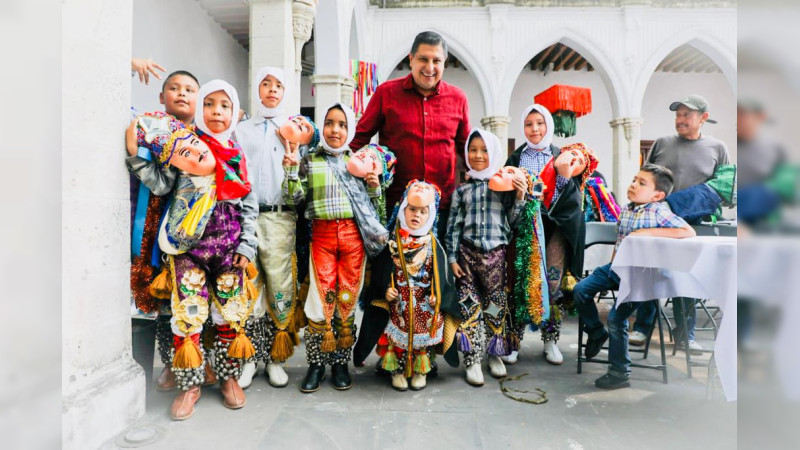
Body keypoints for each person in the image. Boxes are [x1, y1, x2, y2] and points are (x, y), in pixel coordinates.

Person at [128, 80, 259, 420]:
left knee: (231, 316)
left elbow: (250, 204)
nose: (217, 111)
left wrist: (247, 245)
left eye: (225, 106)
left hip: (230, 251)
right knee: (188, 318)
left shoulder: (237, 153)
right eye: (210, 104)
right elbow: (163, 185)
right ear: (200, 109)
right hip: (188, 249)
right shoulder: (187, 148)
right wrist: (136, 159)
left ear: (234, 112)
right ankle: (190, 386)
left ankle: (230, 378)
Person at [283, 103, 389, 393]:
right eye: (329, 123)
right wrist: (291, 172)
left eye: (342, 124)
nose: (335, 129)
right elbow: (294, 201)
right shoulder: (310, 160)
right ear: (323, 127)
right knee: (320, 299)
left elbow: (373, 209)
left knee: (346, 299)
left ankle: (340, 363)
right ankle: (317, 364)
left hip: (354, 239)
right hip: (323, 236)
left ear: (349, 130)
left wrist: (373, 185)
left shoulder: (358, 161)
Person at [234, 66, 319, 389]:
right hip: (247, 218)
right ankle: (251, 358)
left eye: (278, 85)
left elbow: (299, 191)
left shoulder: (294, 130)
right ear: (257, 89)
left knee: (280, 285)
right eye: (266, 84)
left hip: (281, 218)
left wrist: (293, 166)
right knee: (250, 288)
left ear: (285, 92)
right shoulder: (242, 131)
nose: (272, 90)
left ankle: (275, 358)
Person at [574, 164, 696, 389]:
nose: (633, 184)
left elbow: (688, 231)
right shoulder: (626, 209)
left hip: (641, 277)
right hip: (617, 268)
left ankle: (619, 372)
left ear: (657, 195)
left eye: (642, 183)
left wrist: (648, 232)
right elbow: (620, 241)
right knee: (580, 290)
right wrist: (611, 266)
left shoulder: (659, 211)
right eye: (634, 179)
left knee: (616, 318)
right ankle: (595, 332)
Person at [127, 71, 211, 392]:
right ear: (161, 97)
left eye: (190, 89)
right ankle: (165, 367)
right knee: (155, 300)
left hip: (188, 235)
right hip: (150, 229)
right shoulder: (150, 131)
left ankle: (191, 366)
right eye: (173, 88)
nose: (181, 94)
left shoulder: (204, 141)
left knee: (188, 299)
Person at [635, 94, 731, 354]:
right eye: (678, 114)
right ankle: (642, 327)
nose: (680, 119)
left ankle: (684, 335)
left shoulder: (717, 148)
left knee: (686, 277)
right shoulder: (662, 143)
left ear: (703, 118)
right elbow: (646, 179)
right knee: (651, 269)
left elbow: (724, 188)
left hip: (694, 224)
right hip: (660, 220)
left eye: (687, 114)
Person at [350, 30, 471, 238]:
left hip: (440, 208)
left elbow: (467, 150)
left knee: (437, 270)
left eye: (437, 60)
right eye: (423, 59)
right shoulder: (386, 93)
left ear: (445, 63)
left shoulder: (458, 98)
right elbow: (359, 139)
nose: (430, 67)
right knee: (389, 269)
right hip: (394, 205)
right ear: (411, 59)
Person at [355, 180, 464, 391]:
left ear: (430, 215)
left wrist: (437, 295)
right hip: (399, 305)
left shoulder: (433, 245)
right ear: (403, 210)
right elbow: (380, 275)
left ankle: (421, 370)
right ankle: (396, 370)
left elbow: (441, 278)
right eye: (412, 209)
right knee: (396, 341)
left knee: (422, 342)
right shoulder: (393, 243)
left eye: (423, 211)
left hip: (424, 306)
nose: (416, 215)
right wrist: (386, 289)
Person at [504, 104, 589, 365]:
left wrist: (562, 177)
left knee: (552, 284)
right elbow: (507, 199)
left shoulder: (562, 157)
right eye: (529, 124)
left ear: (548, 125)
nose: (535, 129)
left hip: (555, 231)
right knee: (521, 283)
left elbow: (572, 197)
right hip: (526, 228)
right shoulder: (515, 159)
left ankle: (550, 340)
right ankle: (514, 341)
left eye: (539, 123)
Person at [445, 129, 527, 386]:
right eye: (473, 150)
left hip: (496, 257)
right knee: (469, 306)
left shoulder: (503, 186)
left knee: (495, 307)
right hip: (467, 256)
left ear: (494, 154)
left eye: (484, 150)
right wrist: (452, 258)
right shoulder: (462, 191)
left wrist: (520, 198)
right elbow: (453, 226)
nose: (478, 155)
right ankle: (472, 359)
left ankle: (494, 355)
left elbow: (514, 222)